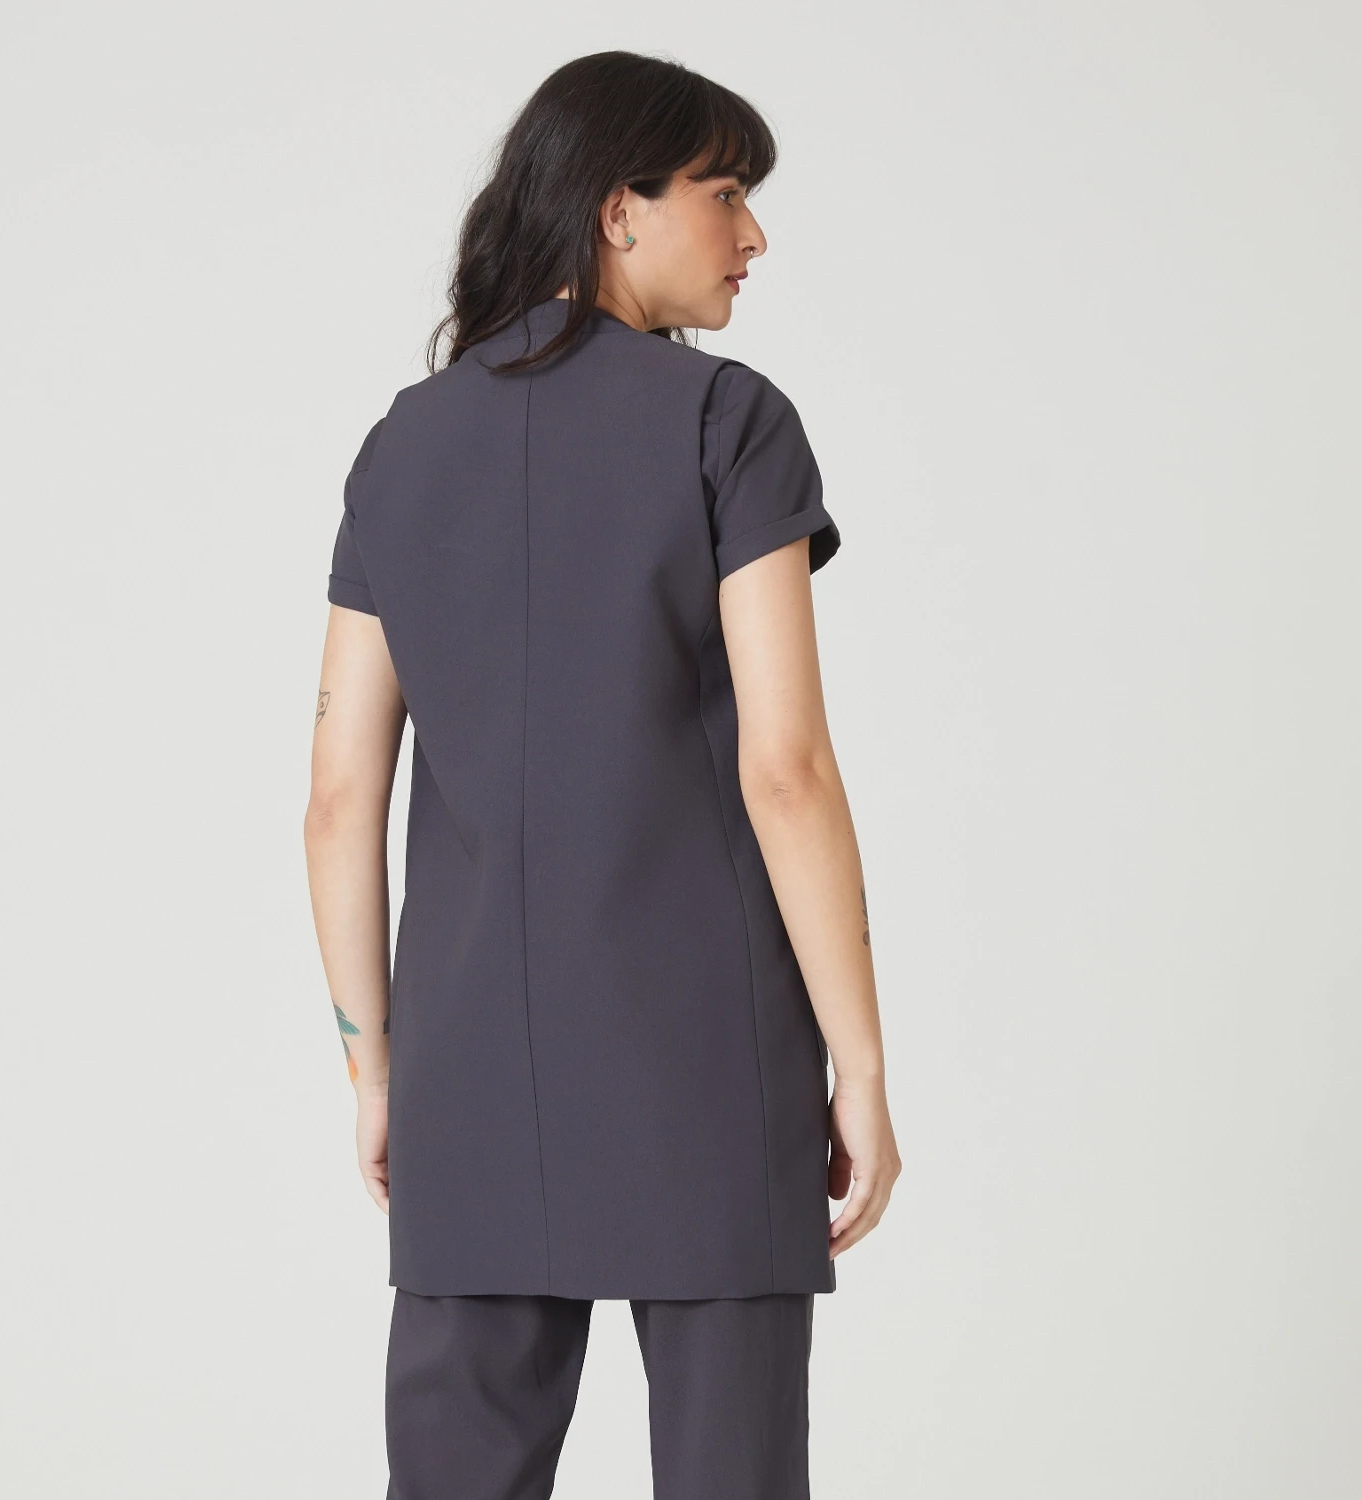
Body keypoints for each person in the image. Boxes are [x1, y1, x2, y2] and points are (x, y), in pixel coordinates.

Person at [303, 48, 900, 1500]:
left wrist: (378, 1073)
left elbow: (337, 802)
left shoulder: (401, 445)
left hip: (467, 1072)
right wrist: (864, 1067)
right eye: (724, 192)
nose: (753, 234)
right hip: (707, 1060)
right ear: (616, 210)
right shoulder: (726, 421)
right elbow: (787, 770)